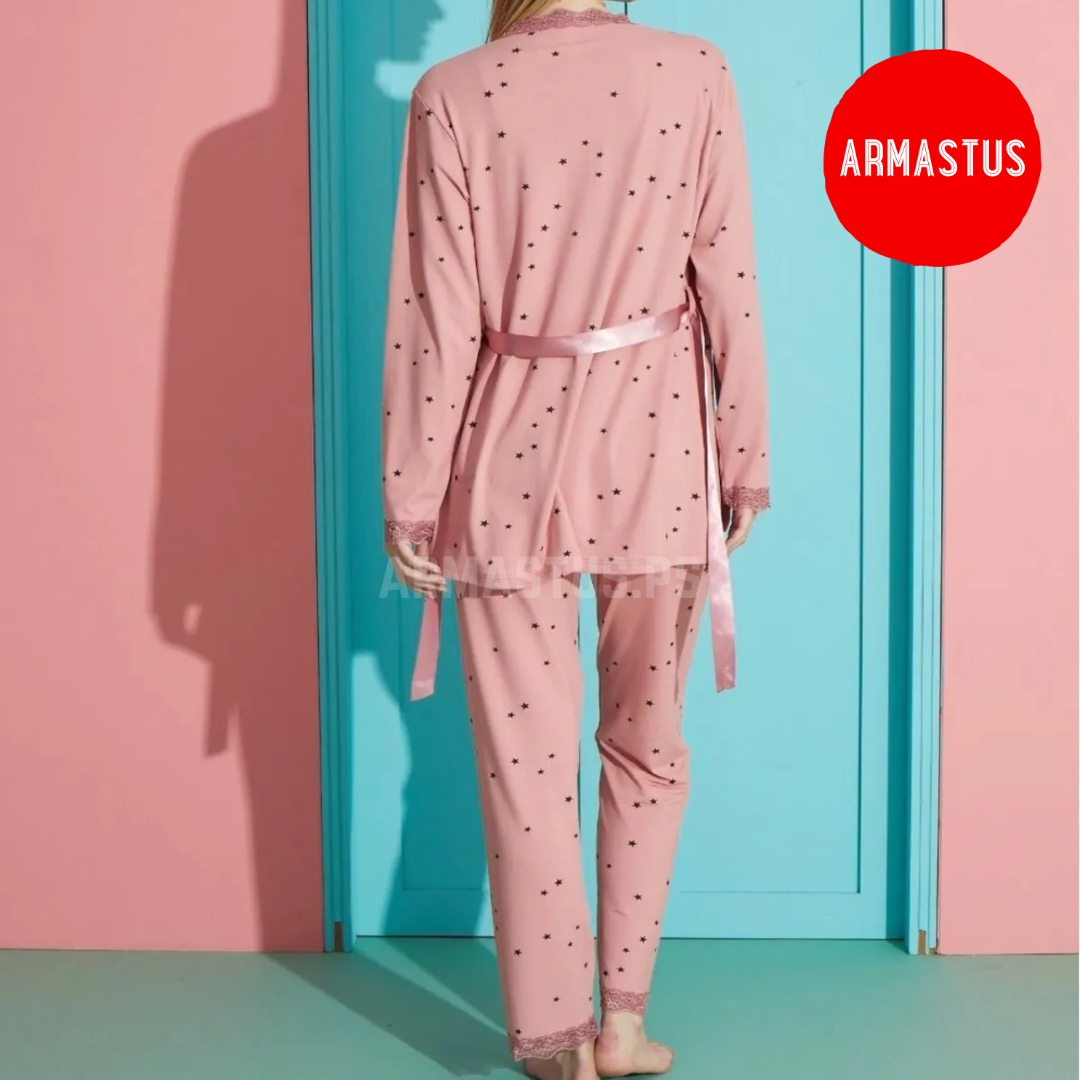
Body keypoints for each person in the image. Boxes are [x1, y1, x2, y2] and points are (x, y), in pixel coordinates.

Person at [381, 2, 770, 1077]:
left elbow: (435, 315)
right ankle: (625, 1025)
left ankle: (556, 1044)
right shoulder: (694, 70)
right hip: (659, 460)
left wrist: (413, 495)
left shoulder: (452, 94)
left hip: (504, 466)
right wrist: (745, 455)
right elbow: (729, 280)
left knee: (526, 764)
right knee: (647, 746)